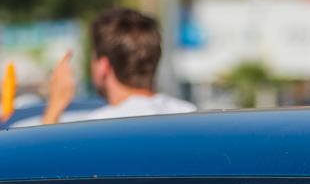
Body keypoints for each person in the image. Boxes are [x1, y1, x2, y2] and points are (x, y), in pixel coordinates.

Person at [42, 7, 197, 125]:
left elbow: (43, 163)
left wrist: (55, 106)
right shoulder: (192, 115)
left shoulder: (94, 128)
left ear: (103, 67)